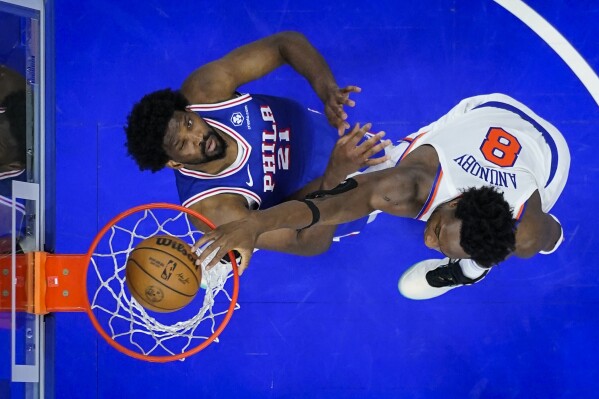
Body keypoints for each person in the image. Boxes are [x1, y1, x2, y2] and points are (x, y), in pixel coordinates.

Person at [195, 93, 570, 300]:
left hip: (548, 156)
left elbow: (552, 235)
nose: (427, 240)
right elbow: (325, 208)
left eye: (441, 247)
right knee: (360, 182)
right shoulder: (407, 184)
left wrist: (483, 251)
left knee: (513, 243)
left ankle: (467, 272)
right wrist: (255, 224)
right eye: (438, 231)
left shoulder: (528, 232)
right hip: (487, 111)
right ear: (454, 201)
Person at [124, 31, 391, 259]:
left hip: (351, 140)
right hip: (339, 202)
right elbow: (306, 242)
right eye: (183, 144)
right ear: (174, 162)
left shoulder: (205, 93)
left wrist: (327, 89)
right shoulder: (212, 207)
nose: (199, 137)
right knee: (403, 196)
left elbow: (285, 43)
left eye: (190, 123)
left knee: (415, 169)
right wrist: (336, 176)